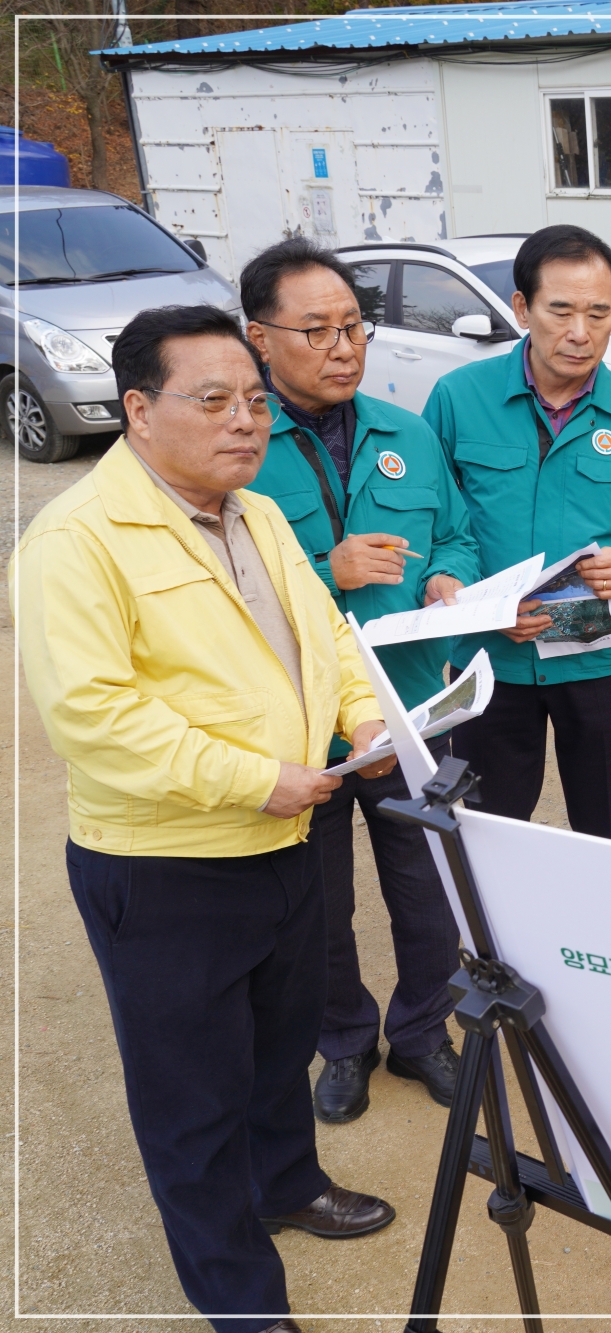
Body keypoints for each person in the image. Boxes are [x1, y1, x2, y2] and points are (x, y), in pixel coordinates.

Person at [12, 304, 403, 1333]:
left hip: (285, 836)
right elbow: (94, 719)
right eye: (213, 399)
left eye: (254, 399)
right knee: (192, 1098)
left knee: (278, 1052)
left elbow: (326, 630)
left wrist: (365, 714)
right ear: (139, 411)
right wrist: (251, 777)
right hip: (168, 867)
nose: (246, 420)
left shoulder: (258, 512)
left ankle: (286, 1185)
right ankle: (238, 1297)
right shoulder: (76, 541)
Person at [239, 238, 481, 1123]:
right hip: (303, 725)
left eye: (354, 326)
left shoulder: (406, 433)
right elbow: (220, 584)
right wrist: (324, 566)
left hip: (412, 707)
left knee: (427, 888)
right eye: (317, 330)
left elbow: (455, 534)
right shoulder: (241, 446)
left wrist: (450, 576)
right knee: (320, 903)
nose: (343, 347)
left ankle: (424, 1032)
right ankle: (343, 1040)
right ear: (259, 338)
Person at [423, 224, 611, 840]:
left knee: (600, 831)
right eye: (560, 310)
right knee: (487, 830)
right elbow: (433, 533)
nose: (580, 332)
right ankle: (490, 939)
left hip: (599, 667)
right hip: (491, 666)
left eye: (598, 313)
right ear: (522, 308)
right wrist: (474, 604)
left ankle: (593, 935)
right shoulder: (458, 399)